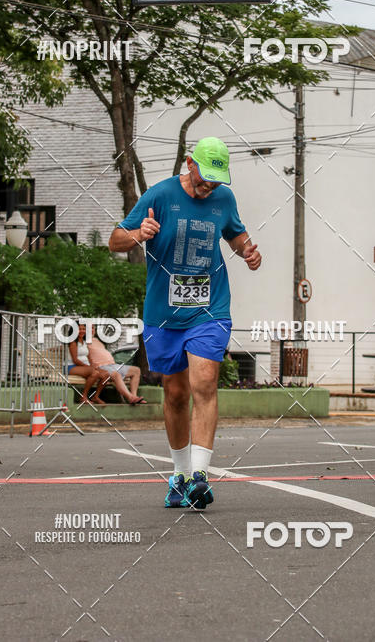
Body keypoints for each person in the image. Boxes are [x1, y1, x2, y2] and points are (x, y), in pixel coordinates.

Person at [108, 137, 261, 509]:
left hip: (209, 308)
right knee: (176, 395)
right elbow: (114, 241)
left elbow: (236, 235)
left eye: (217, 180)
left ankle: (199, 476)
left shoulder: (223, 200)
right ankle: (178, 475)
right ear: (189, 164)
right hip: (164, 313)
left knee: (205, 382)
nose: (210, 186)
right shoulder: (159, 196)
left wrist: (248, 252)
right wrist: (137, 235)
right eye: (206, 178)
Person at [86, 323, 147, 406]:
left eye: (92, 328)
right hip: (101, 367)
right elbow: (84, 357)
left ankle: (134, 396)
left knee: (136, 370)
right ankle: (130, 398)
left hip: (113, 365)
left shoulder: (97, 341)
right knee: (115, 374)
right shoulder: (84, 342)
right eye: (88, 328)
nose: (91, 330)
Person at [66, 323, 107, 406]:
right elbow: (75, 360)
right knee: (94, 373)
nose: (82, 331)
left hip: (84, 367)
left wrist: (93, 365)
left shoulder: (84, 342)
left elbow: (89, 357)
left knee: (106, 375)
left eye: (83, 329)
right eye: (79, 329)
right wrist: (90, 367)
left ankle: (95, 396)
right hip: (71, 367)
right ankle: (83, 397)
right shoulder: (73, 342)